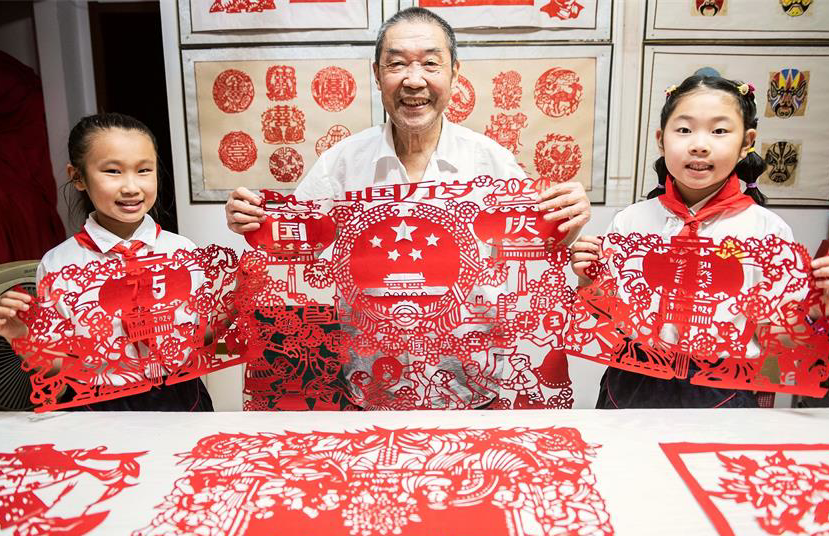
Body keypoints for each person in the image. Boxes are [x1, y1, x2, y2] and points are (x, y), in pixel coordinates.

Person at [224, 7, 591, 409]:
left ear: (454, 73)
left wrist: (567, 221)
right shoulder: (341, 163)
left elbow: (532, 243)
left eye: (430, 64)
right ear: (377, 74)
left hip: (474, 388)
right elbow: (295, 241)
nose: (414, 80)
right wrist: (253, 219)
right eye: (397, 64)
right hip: (368, 387)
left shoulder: (490, 161)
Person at [571, 73, 829, 408]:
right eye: (684, 129)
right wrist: (588, 280)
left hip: (721, 388)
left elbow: (775, 338)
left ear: (747, 142)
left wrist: (817, 308)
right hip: (631, 380)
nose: (699, 144)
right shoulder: (630, 221)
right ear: (661, 140)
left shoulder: (767, 231)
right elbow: (610, 317)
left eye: (719, 131)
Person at [0, 113, 213, 411]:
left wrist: (237, 305)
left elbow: (201, 336)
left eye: (144, 170)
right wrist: (21, 337)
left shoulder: (182, 251)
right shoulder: (58, 264)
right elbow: (57, 368)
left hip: (184, 397)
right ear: (78, 177)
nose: (131, 187)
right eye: (113, 171)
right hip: (99, 406)